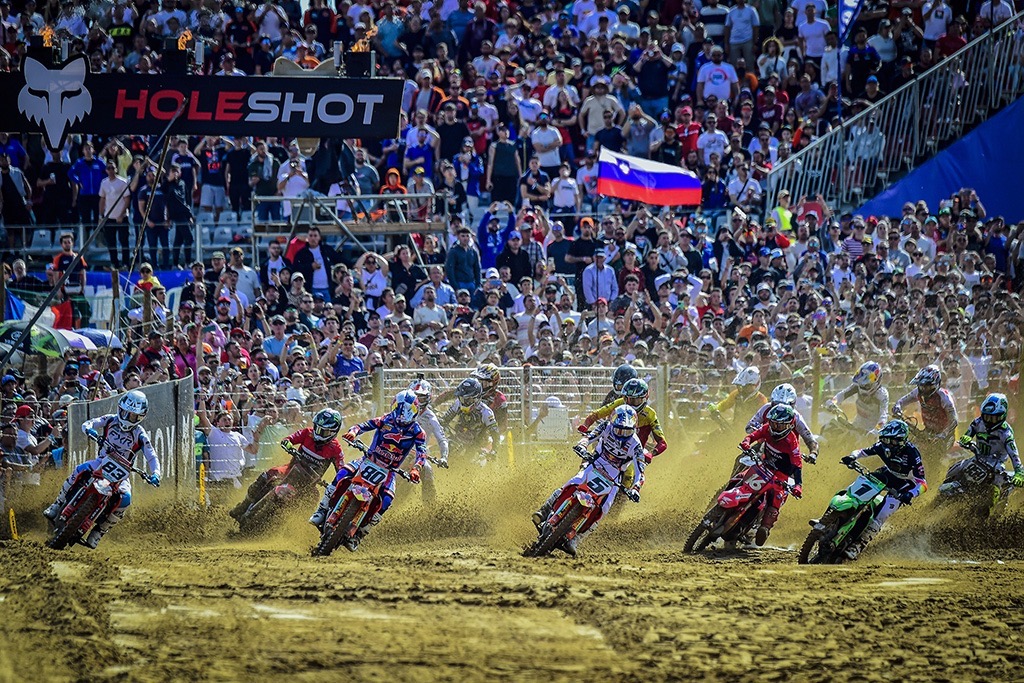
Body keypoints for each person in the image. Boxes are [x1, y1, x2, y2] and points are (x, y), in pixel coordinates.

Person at [309, 390, 428, 551]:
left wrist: (416, 469)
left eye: (408, 411)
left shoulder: (418, 432)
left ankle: (360, 534)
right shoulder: (385, 419)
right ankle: (322, 509)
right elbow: (363, 425)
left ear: (415, 410)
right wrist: (353, 432)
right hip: (368, 460)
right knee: (343, 472)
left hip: (389, 470)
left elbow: (422, 453)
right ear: (394, 406)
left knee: (387, 499)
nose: (402, 415)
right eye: (399, 409)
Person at [42, 391, 161, 549]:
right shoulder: (110, 419)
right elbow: (90, 422)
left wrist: (156, 474)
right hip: (101, 462)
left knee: (126, 499)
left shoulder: (140, 434)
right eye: (125, 412)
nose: (127, 417)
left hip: (122, 473)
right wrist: (89, 429)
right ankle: (57, 504)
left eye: (133, 416)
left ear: (140, 417)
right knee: (80, 469)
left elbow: (152, 456)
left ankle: (99, 531)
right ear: (120, 409)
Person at [533, 405, 644, 557]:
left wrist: (636, 489)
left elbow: (640, 472)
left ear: (634, 429)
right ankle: (545, 509)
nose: (622, 434)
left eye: (627, 431)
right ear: (612, 423)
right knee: (574, 481)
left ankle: (576, 539)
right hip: (595, 463)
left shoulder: (636, 445)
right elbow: (589, 437)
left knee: (605, 508)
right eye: (618, 430)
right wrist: (582, 445)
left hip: (614, 476)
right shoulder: (605, 426)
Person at [232, 409, 344, 523]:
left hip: (309, 485)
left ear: (333, 432)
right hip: (290, 470)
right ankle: (244, 505)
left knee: (311, 503)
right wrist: (288, 444)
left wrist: (337, 484)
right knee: (268, 474)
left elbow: (342, 470)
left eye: (323, 431)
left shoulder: (336, 449)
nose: (318, 433)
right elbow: (289, 439)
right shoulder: (307, 432)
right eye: (317, 428)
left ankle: (288, 527)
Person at [839, 419, 925, 559]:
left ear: (901, 440)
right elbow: (862, 452)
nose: (888, 444)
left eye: (892, 441)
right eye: (885, 439)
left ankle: (858, 545)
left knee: (883, 513)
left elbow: (922, 483)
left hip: (905, 483)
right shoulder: (881, 446)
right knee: (859, 485)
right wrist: (852, 456)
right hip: (887, 473)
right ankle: (830, 518)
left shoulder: (912, 453)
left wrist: (910, 494)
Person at [737, 403, 804, 546]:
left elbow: (797, 465)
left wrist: (798, 485)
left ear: (789, 425)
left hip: (780, 475)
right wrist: (746, 442)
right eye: (773, 423)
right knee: (742, 476)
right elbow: (753, 435)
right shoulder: (767, 428)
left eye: (780, 425)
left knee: (776, 497)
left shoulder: (792, 442)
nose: (775, 427)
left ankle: (765, 527)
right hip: (763, 464)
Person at [945, 393, 1023, 495]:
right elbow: (969, 433)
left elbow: (1014, 455)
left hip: (996, 466)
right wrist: (966, 437)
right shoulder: (978, 422)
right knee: (955, 470)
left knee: (995, 489)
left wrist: (1019, 472)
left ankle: (995, 505)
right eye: (986, 417)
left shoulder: (1006, 433)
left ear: (1001, 416)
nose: (988, 421)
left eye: (993, 418)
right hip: (978, 457)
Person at [580, 378, 668, 461]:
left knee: (632, 471)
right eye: (629, 399)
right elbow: (596, 414)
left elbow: (662, 443)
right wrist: (585, 426)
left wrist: (650, 454)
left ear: (644, 398)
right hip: (609, 447)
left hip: (632, 456)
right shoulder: (620, 402)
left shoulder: (650, 414)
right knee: (588, 459)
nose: (631, 403)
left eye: (636, 400)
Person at [892, 364, 958, 453]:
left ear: (934, 384)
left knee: (934, 455)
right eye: (921, 385)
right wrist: (897, 408)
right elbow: (901, 401)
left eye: (927, 386)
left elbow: (954, 421)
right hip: (927, 431)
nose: (923, 389)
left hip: (945, 436)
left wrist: (943, 435)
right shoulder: (917, 392)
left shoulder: (944, 397)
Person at [747, 383, 818, 461]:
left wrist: (813, 453)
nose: (779, 410)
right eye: (776, 405)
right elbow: (749, 426)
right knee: (744, 458)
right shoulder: (766, 408)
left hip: (787, 454)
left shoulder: (796, 417)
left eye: (785, 407)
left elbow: (809, 438)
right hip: (764, 446)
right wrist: (757, 431)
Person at [439, 378, 499, 463]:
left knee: (470, 463)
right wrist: (439, 421)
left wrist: (494, 450)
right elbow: (445, 419)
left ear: (476, 398)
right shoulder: (458, 403)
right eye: (462, 398)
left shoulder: (486, 412)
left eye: (467, 399)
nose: (464, 402)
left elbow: (495, 433)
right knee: (447, 448)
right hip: (458, 439)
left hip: (477, 445)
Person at [408, 379, 449, 502]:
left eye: (421, 397)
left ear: (428, 398)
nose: (417, 400)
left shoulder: (431, 418)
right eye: (415, 396)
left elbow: (442, 439)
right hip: (397, 449)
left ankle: (430, 507)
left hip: (418, 454)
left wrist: (444, 457)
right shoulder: (400, 409)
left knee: (428, 471)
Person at [826, 361, 890, 434]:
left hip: (870, 432)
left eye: (866, 384)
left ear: (877, 380)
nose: (862, 386)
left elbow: (883, 416)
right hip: (856, 425)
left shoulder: (882, 394)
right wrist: (832, 402)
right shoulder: (857, 386)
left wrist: (876, 430)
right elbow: (842, 395)